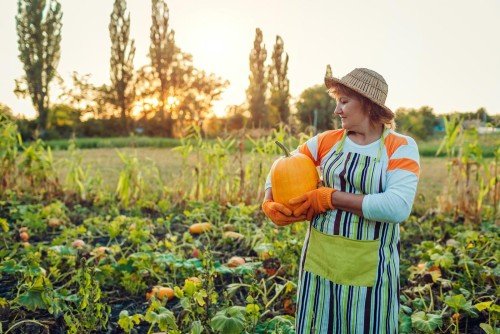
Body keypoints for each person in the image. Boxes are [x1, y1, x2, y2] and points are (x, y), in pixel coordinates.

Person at [262, 66, 420, 333]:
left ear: (369, 106)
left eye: (344, 102)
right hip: (319, 263)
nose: (337, 111)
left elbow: (397, 207)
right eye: (337, 102)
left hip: (369, 270)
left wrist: (330, 198)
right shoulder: (326, 141)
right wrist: (269, 200)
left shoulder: (400, 146)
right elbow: (282, 164)